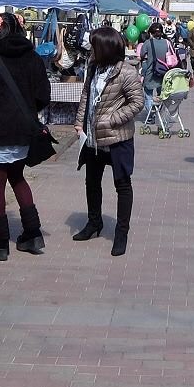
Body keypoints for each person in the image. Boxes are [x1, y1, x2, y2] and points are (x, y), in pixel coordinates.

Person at [0, 13, 52, 261]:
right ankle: (33, 234)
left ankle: (2, 243)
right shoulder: (33, 58)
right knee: (18, 178)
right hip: (22, 130)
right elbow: (43, 96)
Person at [72, 26, 144, 256]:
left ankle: (121, 232)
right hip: (93, 138)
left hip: (117, 138)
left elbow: (137, 102)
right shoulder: (93, 67)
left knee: (122, 184)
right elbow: (86, 95)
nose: (90, 50)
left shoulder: (126, 72)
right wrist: (79, 121)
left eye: (94, 45)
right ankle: (94, 223)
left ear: (105, 48)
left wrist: (113, 120)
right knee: (91, 182)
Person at [138, 21, 174, 116]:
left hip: (151, 72)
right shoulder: (167, 42)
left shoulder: (147, 43)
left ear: (150, 33)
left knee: (148, 94)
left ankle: (151, 115)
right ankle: (159, 114)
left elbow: (141, 55)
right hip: (164, 73)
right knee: (161, 95)